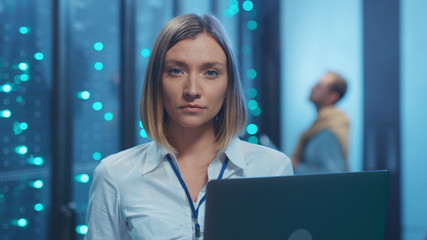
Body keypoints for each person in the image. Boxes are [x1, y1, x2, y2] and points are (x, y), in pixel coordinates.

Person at [85, 13, 293, 240]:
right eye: (176, 70)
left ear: (229, 85)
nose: (192, 90)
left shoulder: (272, 169)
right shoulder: (115, 174)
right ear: (157, 82)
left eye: (210, 72)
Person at [292, 72, 350, 174]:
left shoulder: (329, 130)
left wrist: (295, 166)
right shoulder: (319, 125)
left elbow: (332, 176)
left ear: (333, 96)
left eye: (319, 86)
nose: (312, 87)